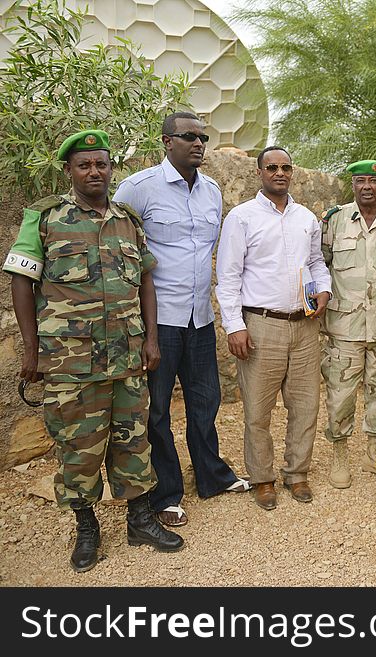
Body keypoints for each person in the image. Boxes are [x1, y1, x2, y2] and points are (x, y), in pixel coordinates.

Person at [4, 130, 183, 572]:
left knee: (133, 439)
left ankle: (139, 520)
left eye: (101, 164)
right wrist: (31, 350)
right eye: (84, 165)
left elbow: (145, 281)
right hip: (70, 361)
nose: (94, 172)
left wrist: (153, 339)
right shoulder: (44, 219)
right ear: (69, 170)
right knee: (77, 447)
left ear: (110, 168)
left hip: (126, 356)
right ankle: (87, 529)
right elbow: (21, 283)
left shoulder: (127, 220)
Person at [113, 111, 249, 528]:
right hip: (159, 320)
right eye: (189, 136)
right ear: (166, 141)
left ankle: (211, 477)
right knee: (156, 411)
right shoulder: (137, 189)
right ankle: (166, 492)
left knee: (205, 402)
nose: (198, 143)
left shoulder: (211, 191)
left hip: (199, 318)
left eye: (203, 137)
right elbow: (119, 252)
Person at [216, 146, 332, 510]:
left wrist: (324, 289)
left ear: (292, 172)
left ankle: (297, 473)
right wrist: (235, 326)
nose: (279, 173)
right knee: (258, 410)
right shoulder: (241, 217)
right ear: (259, 173)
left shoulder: (305, 218)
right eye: (271, 168)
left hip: (304, 326)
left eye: (285, 167)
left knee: (305, 406)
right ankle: (262, 478)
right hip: (261, 325)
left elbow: (315, 262)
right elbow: (228, 275)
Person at [320, 160, 376, 488]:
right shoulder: (334, 221)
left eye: (374, 180)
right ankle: (340, 453)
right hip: (345, 327)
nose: (367, 186)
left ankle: (374, 450)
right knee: (340, 392)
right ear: (353, 185)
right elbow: (320, 264)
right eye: (361, 181)